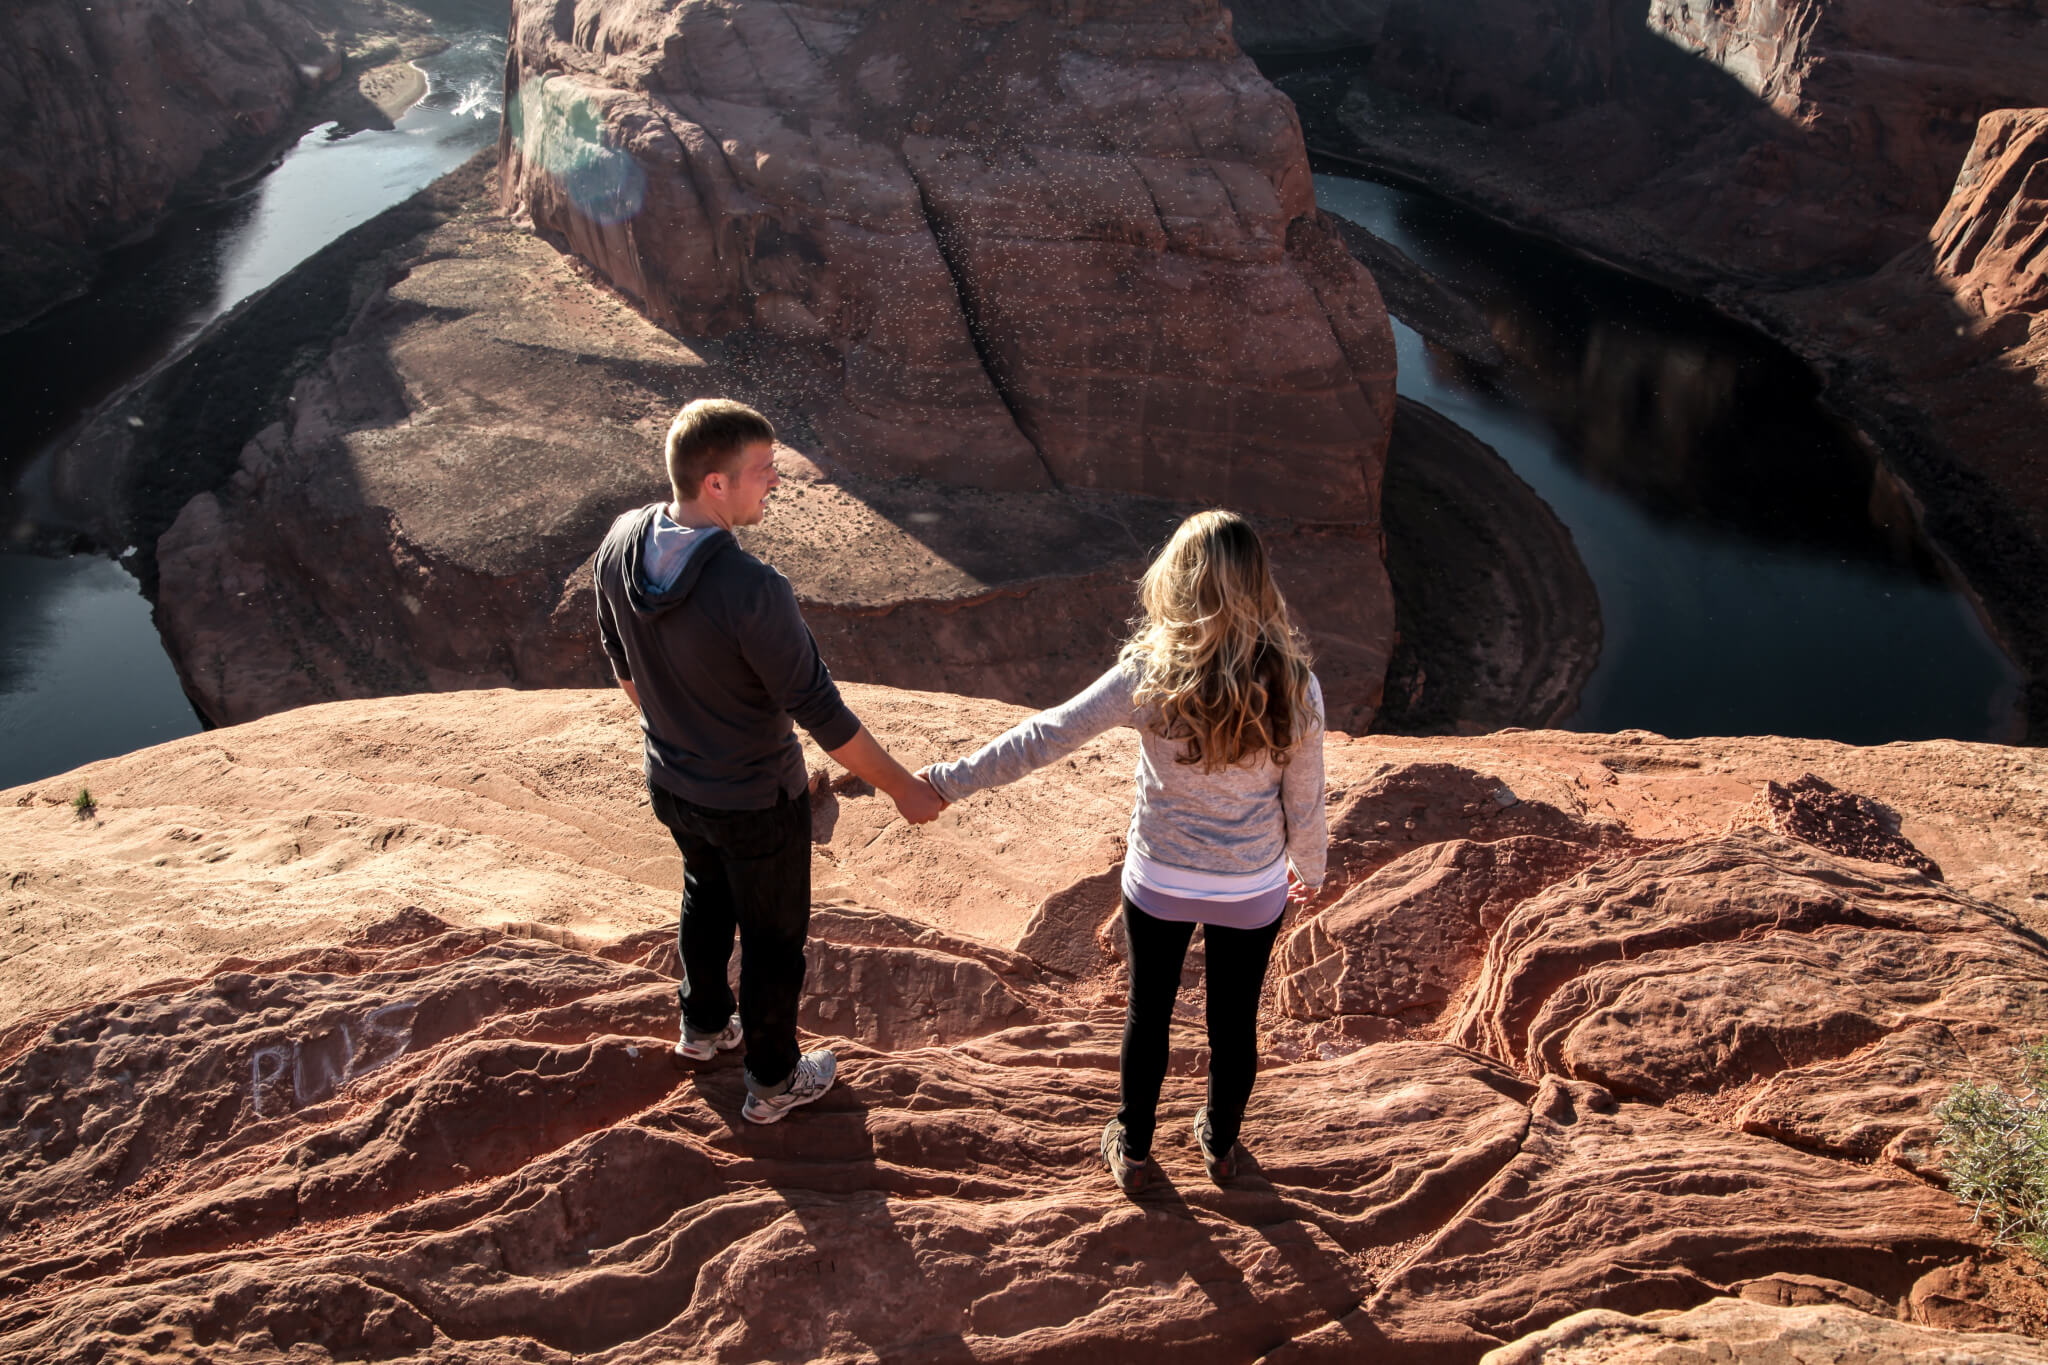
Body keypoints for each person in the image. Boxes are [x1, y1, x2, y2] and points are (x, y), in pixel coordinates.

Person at [923, 509, 1325, 1189]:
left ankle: (1135, 1148)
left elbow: (1047, 736)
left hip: (1161, 877)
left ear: (1179, 582)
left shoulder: (1151, 672)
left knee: (1149, 1011)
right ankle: (1222, 1146)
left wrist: (945, 782)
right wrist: (1309, 868)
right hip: (1250, 886)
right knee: (1234, 1021)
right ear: (1260, 585)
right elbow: (1305, 798)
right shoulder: (1295, 684)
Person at [594, 398, 948, 1125]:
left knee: (704, 891)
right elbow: (823, 716)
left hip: (673, 782)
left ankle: (702, 1027)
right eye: (763, 471)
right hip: (755, 800)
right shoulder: (753, 591)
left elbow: (621, 662)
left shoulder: (623, 542)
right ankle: (775, 1079)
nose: (776, 484)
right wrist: (904, 788)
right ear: (715, 483)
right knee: (773, 937)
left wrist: (674, 727)